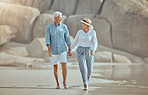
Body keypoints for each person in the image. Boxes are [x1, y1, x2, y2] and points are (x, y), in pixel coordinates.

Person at [46, 11, 72, 89]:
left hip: (62, 49)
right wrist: (49, 50)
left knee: (64, 65)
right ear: (55, 18)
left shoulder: (64, 27)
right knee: (55, 67)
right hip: (53, 50)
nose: (60, 18)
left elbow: (67, 38)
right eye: (59, 17)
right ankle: (58, 83)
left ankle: (64, 82)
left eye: (61, 17)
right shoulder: (49, 28)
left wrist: (69, 49)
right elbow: (47, 40)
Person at [71, 17, 98, 91]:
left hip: (89, 50)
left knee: (90, 69)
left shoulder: (92, 32)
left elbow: (95, 42)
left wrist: (93, 49)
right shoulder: (79, 32)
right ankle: (85, 83)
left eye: (83, 24)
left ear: (87, 25)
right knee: (83, 68)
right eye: (82, 23)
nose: (81, 25)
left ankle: (87, 80)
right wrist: (70, 49)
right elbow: (75, 41)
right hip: (80, 50)